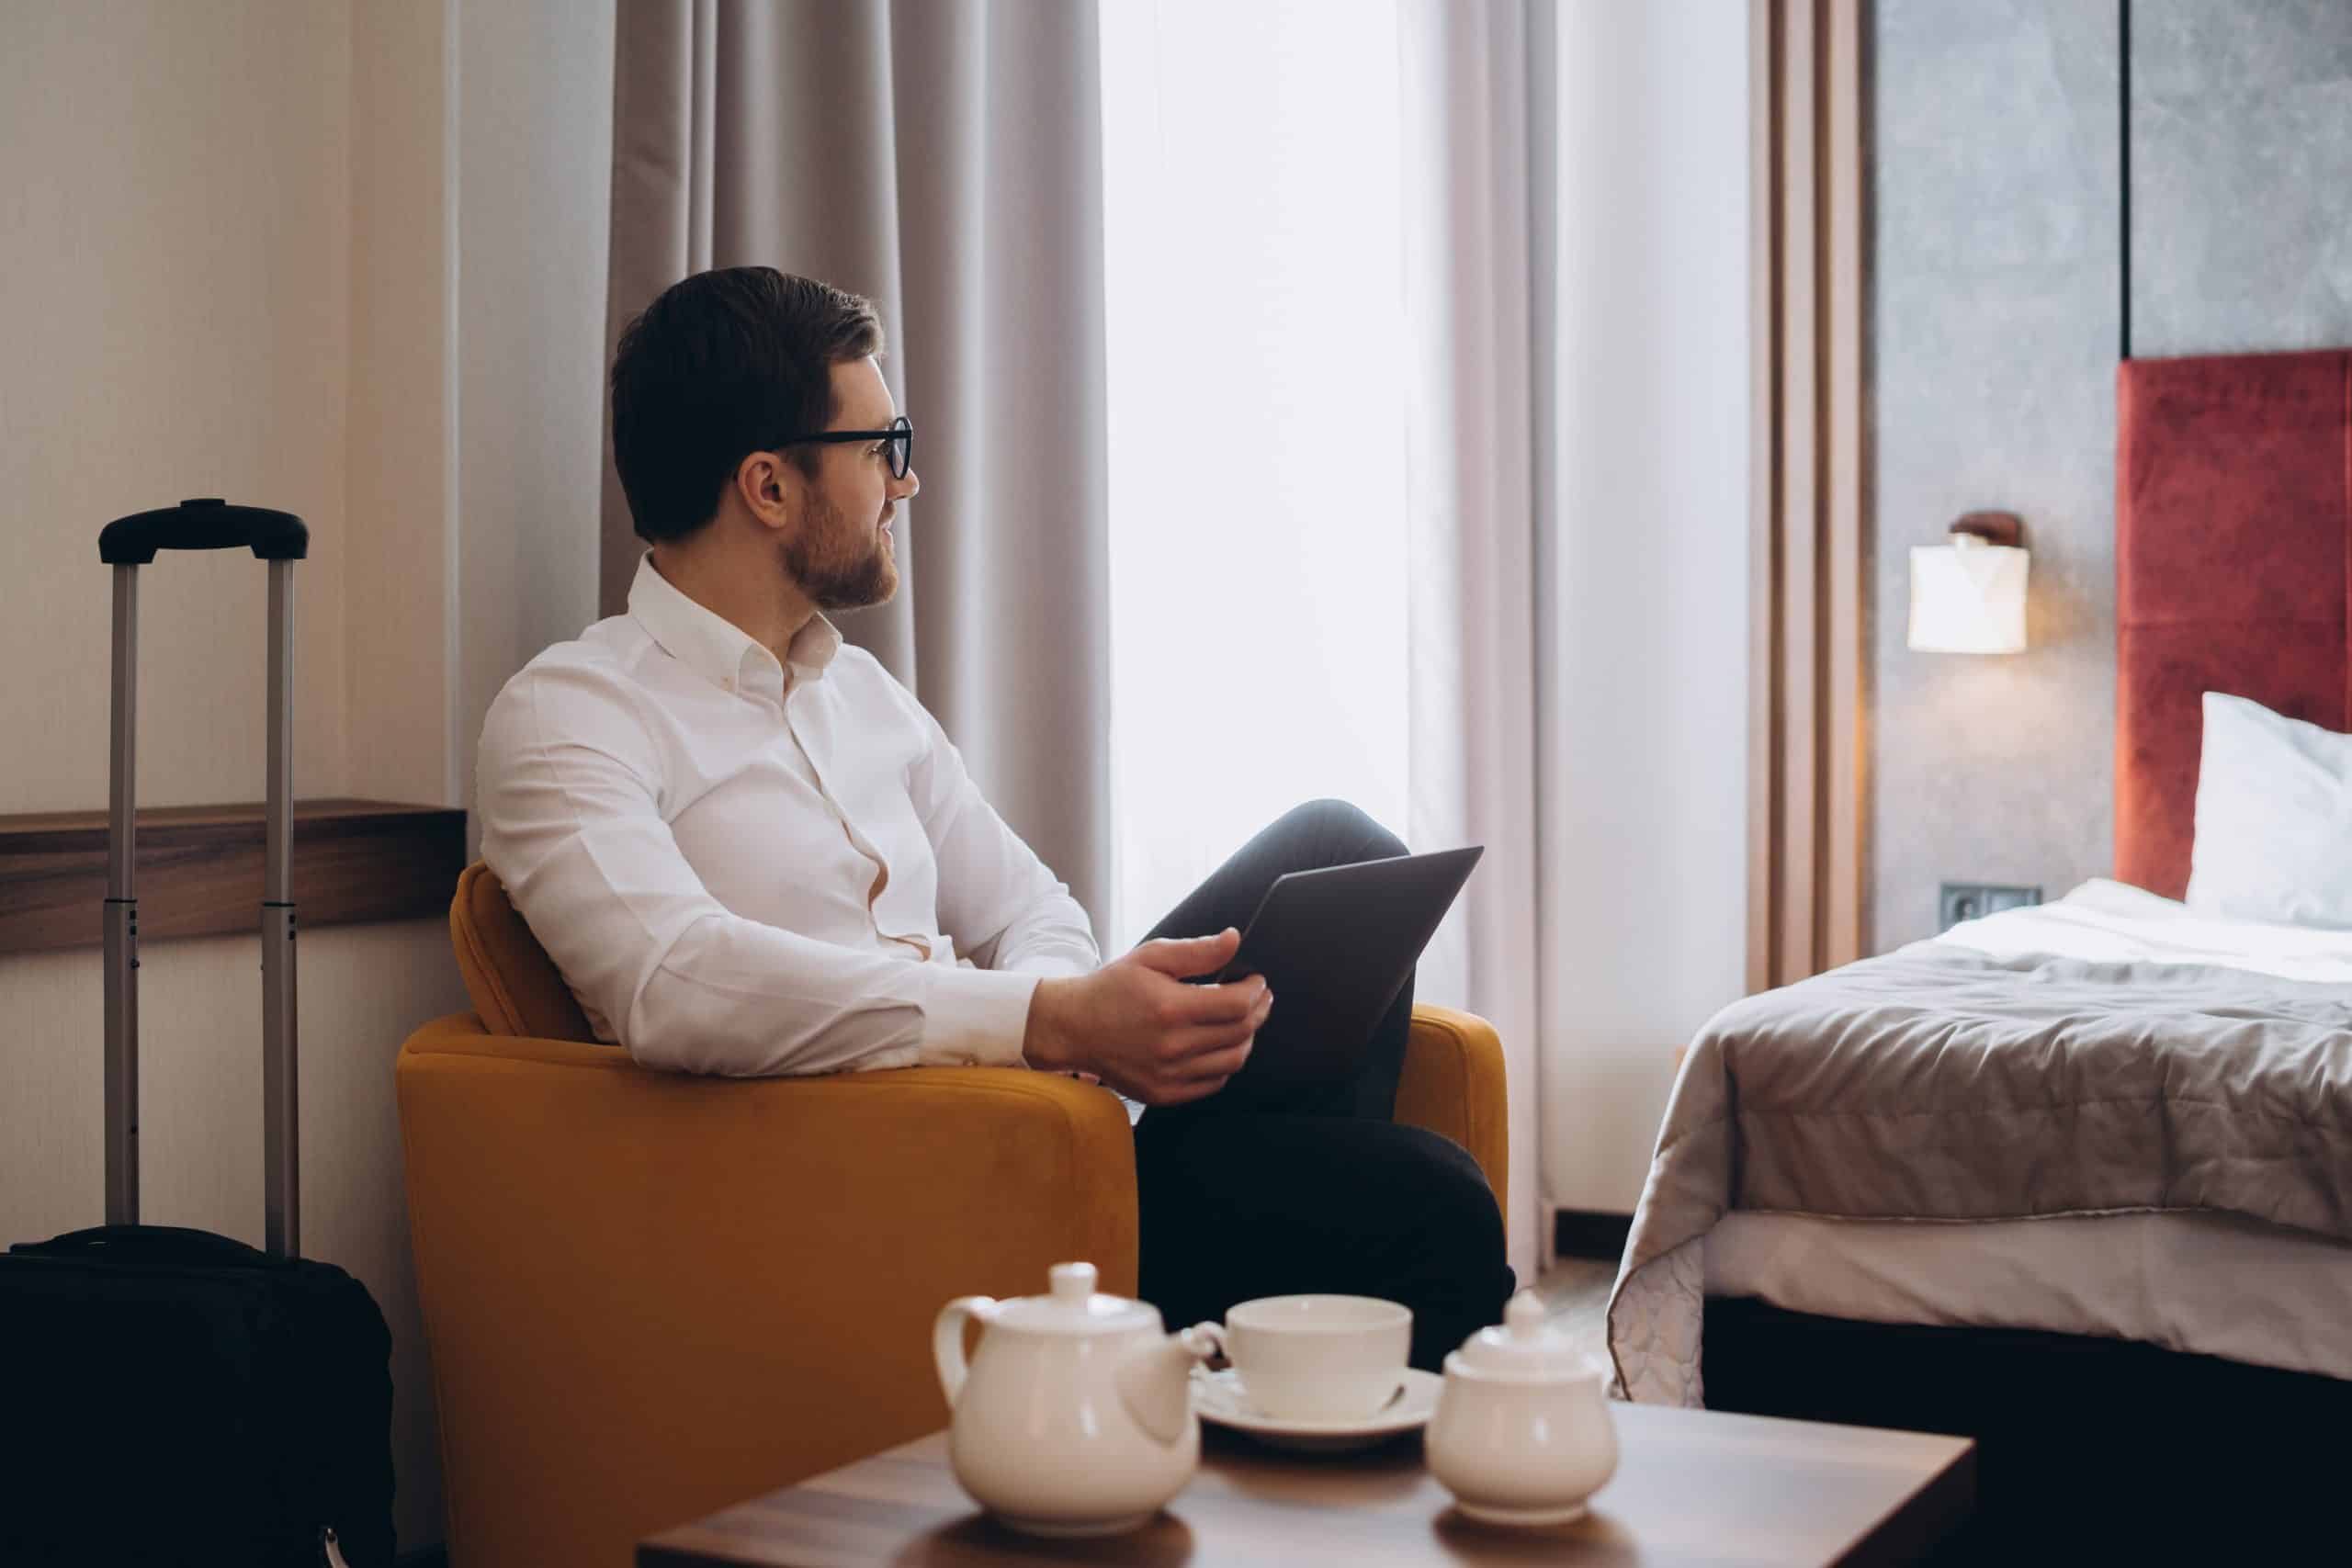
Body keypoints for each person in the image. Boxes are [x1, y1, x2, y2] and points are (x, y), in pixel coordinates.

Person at [478, 265, 1512, 1369]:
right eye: (884, 449)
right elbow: (674, 986)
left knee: (1338, 848)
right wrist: (1041, 1024)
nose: (905, 485)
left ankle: (1229, 1336)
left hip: (1029, 1139)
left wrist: (1060, 1025)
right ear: (769, 487)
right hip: (874, 1191)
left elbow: (1036, 915)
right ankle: (1248, 1337)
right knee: (1426, 1199)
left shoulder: (863, 697)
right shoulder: (572, 714)